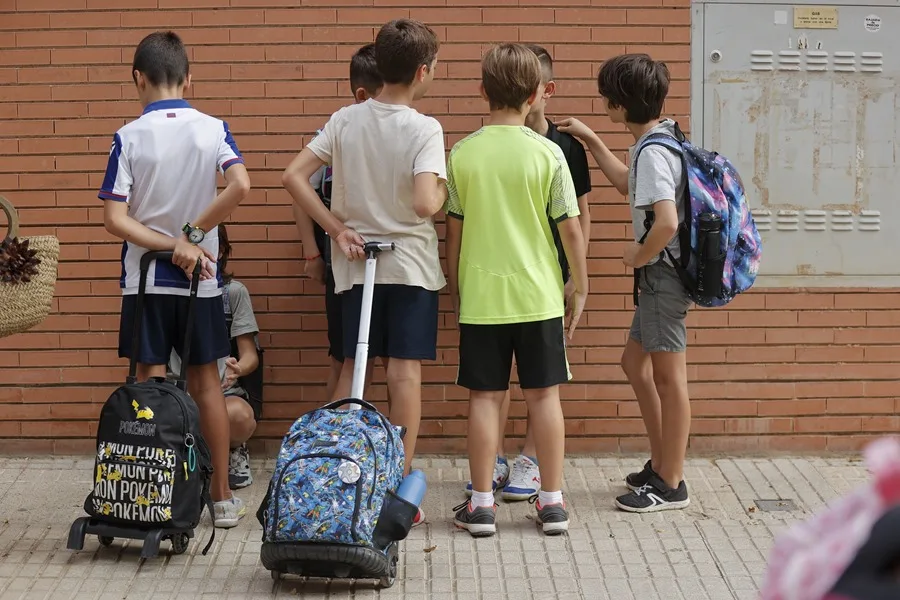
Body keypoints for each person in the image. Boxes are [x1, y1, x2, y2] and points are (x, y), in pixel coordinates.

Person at [281, 19, 447, 527]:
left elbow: (293, 175)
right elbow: (424, 202)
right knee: (404, 373)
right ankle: (397, 486)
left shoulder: (346, 119)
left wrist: (335, 229)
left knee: (358, 372)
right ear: (422, 72)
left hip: (355, 265)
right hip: (410, 265)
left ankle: (336, 477)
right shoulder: (424, 128)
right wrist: (441, 192)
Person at [99, 31, 251, 528]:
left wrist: (168, 243)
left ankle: (152, 496)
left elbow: (115, 220)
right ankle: (222, 497)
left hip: (143, 282)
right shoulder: (212, 128)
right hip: (201, 281)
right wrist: (192, 236)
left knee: (147, 382)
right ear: (189, 77)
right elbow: (241, 185)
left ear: (137, 78)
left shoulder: (128, 135)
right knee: (208, 383)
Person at [447, 43, 588, 537]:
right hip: (539, 295)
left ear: (482, 91)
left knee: (485, 399)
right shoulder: (549, 153)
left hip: (483, 295)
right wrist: (581, 283)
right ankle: (551, 504)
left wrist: (458, 286)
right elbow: (570, 229)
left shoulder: (461, 154)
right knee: (544, 398)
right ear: (535, 94)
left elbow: (455, 231)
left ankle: (481, 505)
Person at [556, 53, 692, 513]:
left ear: (618, 104)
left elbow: (667, 222)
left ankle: (671, 482)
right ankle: (661, 462)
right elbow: (624, 184)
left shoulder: (653, 152)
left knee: (670, 380)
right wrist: (592, 140)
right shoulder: (662, 138)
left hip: (663, 277)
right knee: (634, 365)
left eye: (605, 98)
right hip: (660, 278)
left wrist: (638, 254)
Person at [292, 43, 384, 401]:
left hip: (383, 261)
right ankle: (331, 442)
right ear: (362, 95)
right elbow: (300, 194)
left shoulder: (397, 132)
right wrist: (313, 254)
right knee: (349, 355)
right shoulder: (333, 133)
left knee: (368, 356)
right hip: (343, 261)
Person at [168, 224, 261, 490]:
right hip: (178, 393)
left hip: (222, 391)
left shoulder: (232, 293)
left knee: (239, 416)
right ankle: (184, 461)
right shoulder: (164, 294)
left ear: (221, 252)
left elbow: (249, 356)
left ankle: (230, 451)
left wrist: (238, 369)